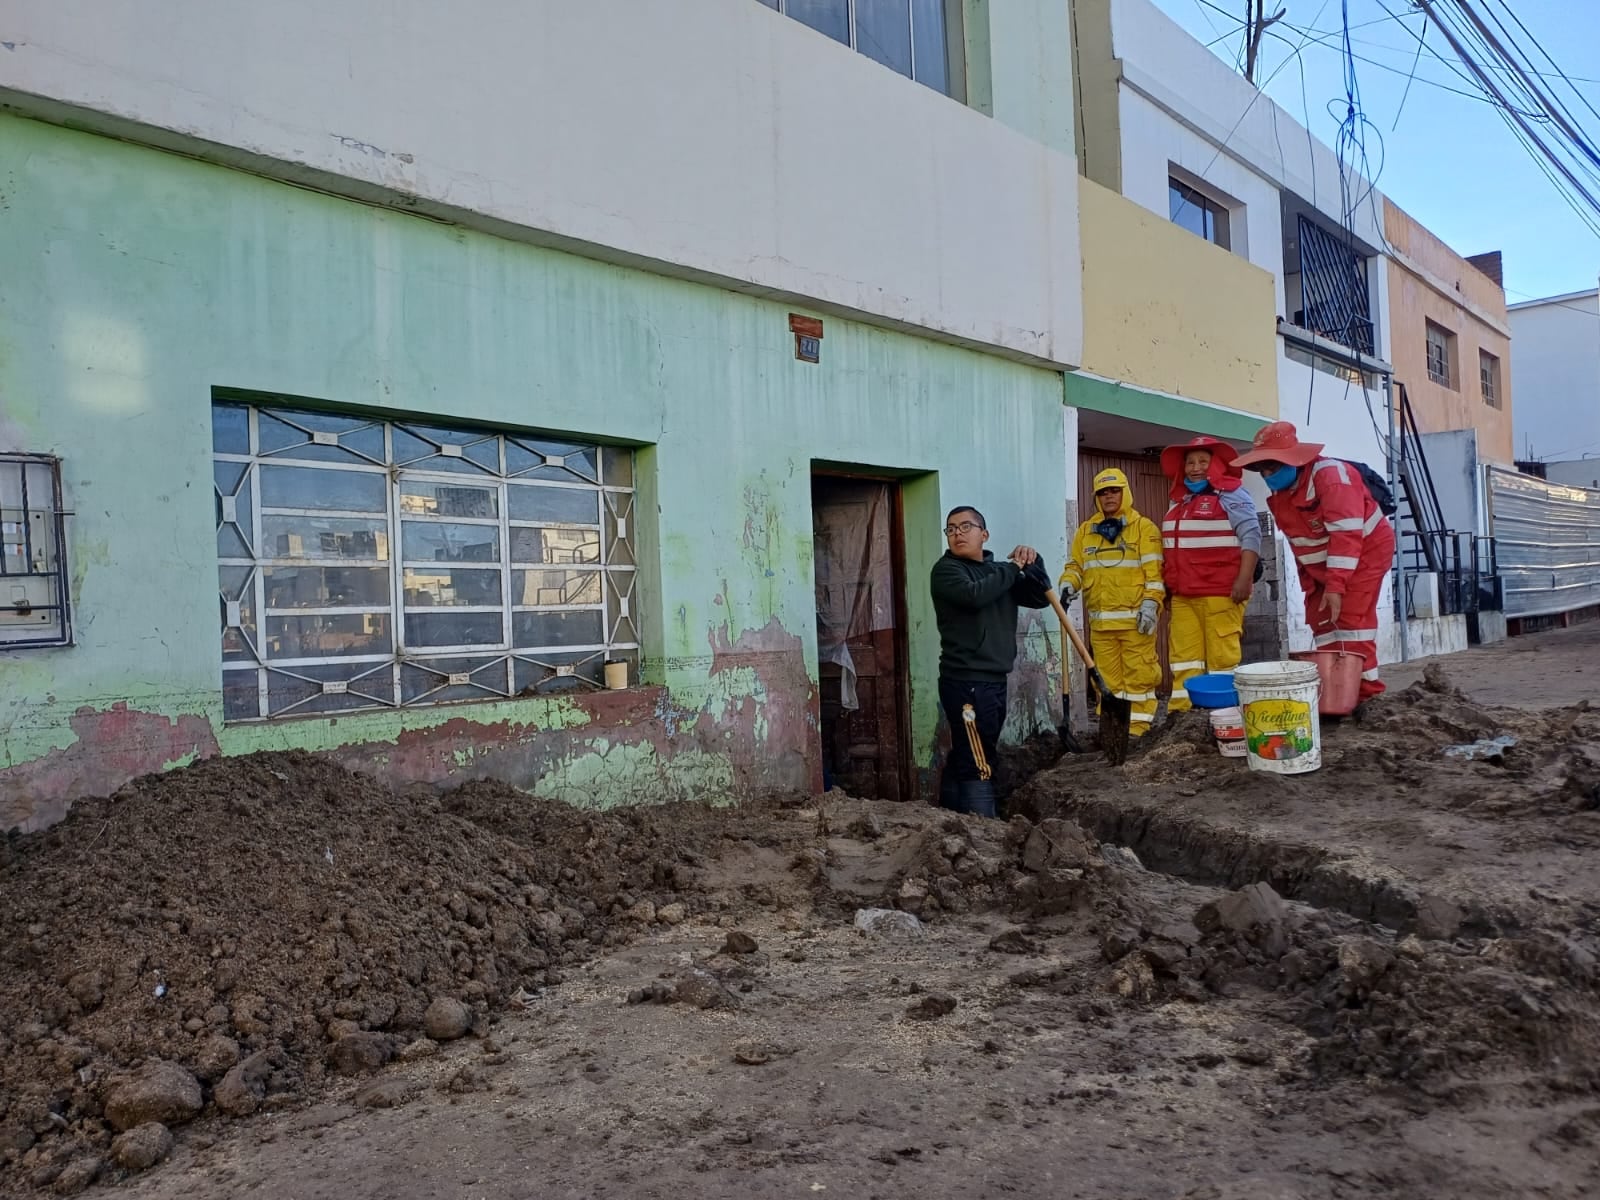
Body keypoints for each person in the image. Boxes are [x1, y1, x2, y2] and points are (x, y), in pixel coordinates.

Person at [1232, 420, 1396, 701]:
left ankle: (1368, 696)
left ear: (1294, 459)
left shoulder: (1331, 477)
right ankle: (1336, 693)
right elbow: (1301, 547)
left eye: (1273, 466)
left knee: (1352, 622)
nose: (1267, 474)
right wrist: (1314, 588)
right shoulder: (1281, 494)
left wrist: (1335, 587)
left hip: (1364, 554)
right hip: (1324, 567)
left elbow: (1346, 537)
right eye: (1262, 469)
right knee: (1321, 621)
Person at [929, 506, 1051, 817]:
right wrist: (1012, 568)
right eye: (951, 528)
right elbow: (975, 596)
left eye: (966, 526)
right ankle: (985, 826)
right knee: (978, 759)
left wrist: (1035, 563)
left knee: (970, 752)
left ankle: (951, 817)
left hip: (995, 679)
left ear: (984, 534)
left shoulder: (999, 573)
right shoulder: (947, 571)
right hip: (965, 681)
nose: (957, 533)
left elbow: (1038, 597)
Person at [1159, 435, 1261, 712]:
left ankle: (1225, 714)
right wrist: (1168, 586)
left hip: (1221, 593)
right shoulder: (1178, 501)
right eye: (1190, 462)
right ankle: (1182, 717)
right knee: (1183, 660)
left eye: (1203, 461)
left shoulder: (1232, 494)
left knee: (1222, 660)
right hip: (1183, 597)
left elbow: (1251, 536)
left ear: (1216, 464)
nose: (1196, 467)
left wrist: (1244, 579)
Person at [1059, 468, 1164, 736]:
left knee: (1138, 678)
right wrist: (1068, 583)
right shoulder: (1086, 531)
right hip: (1102, 627)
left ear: (1125, 491)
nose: (1109, 497)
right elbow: (1076, 566)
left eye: (1114, 490)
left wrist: (1151, 604)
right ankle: (1112, 733)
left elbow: (1155, 574)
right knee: (1105, 683)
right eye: (1103, 492)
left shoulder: (1144, 529)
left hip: (1136, 625)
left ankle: (1137, 731)